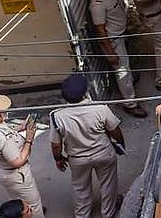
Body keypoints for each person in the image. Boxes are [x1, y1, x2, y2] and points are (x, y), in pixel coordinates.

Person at [50, 74, 125, 218]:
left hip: (77, 159)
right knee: (108, 184)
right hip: (103, 153)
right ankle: (108, 213)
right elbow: (114, 130)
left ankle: (82, 215)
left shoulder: (57, 116)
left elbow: (55, 144)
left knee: (80, 189)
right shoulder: (100, 108)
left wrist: (58, 158)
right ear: (85, 92)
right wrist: (120, 143)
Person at [89, 0, 148, 118]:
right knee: (122, 72)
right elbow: (101, 31)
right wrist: (110, 52)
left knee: (127, 67)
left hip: (122, 33)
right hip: (113, 40)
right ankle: (131, 104)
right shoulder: (98, 3)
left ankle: (129, 86)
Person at [0, 95, 46, 218]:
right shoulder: (1, 138)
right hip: (17, 174)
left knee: (16, 198)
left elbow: (4, 129)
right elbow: (18, 161)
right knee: (33, 203)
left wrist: (20, 128)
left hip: (1, 170)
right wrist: (29, 139)